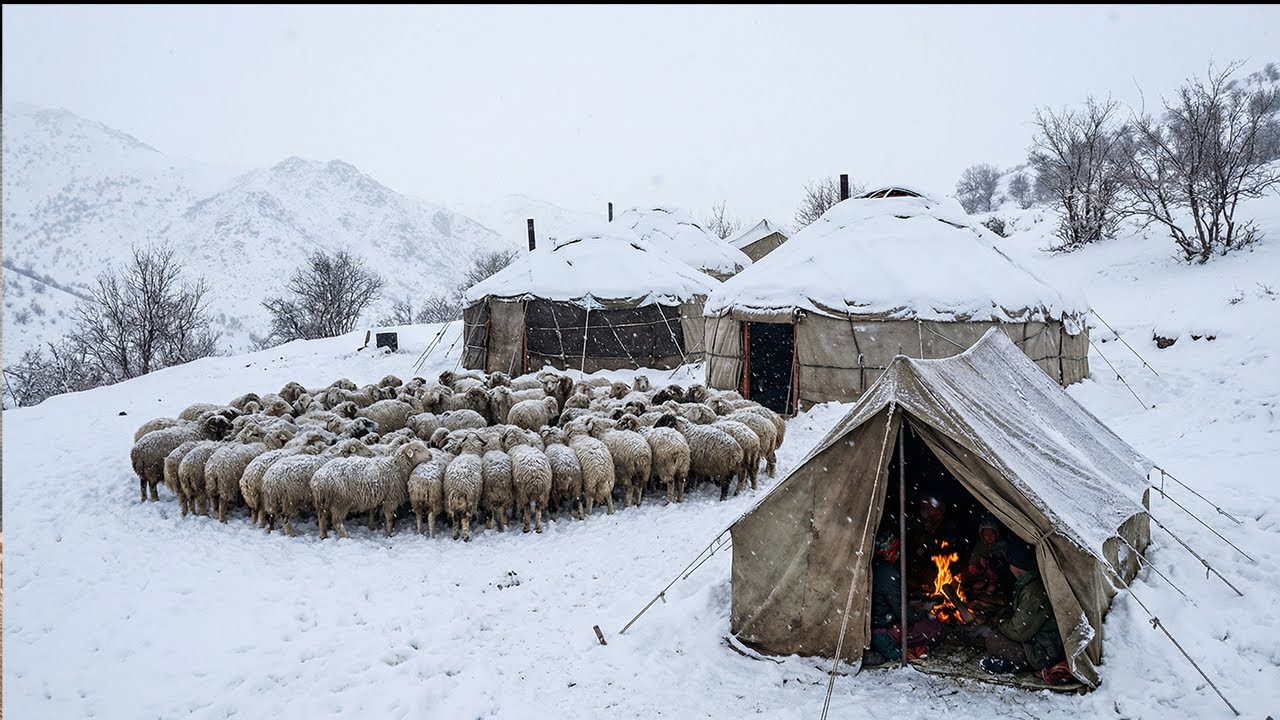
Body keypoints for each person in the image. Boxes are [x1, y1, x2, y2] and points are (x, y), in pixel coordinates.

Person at [978, 540, 1067, 676]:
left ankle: (1019, 663)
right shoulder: (1032, 582)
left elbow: (1018, 631)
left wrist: (1000, 624)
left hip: (1045, 650)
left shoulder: (1033, 591)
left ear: (1016, 566)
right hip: (1045, 643)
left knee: (993, 639)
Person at [865, 529, 945, 666]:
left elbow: (886, 601)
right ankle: (894, 650)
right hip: (883, 634)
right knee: (935, 628)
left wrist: (911, 603)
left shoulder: (872, 565)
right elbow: (903, 614)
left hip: (874, 628)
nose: (898, 554)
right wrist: (923, 611)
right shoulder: (889, 573)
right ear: (889, 552)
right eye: (896, 550)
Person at [962, 515, 1011, 622]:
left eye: (991, 534)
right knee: (971, 583)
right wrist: (976, 567)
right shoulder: (980, 546)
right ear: (982, 535)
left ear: (996, 534)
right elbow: (973, 562)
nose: (989, 537)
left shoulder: (1002, 545)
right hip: (985, 575)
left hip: (1000, 577)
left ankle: (997, 593)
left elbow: (1007, 566)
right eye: (986, 534)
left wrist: (990, 564)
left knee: (996, 567)